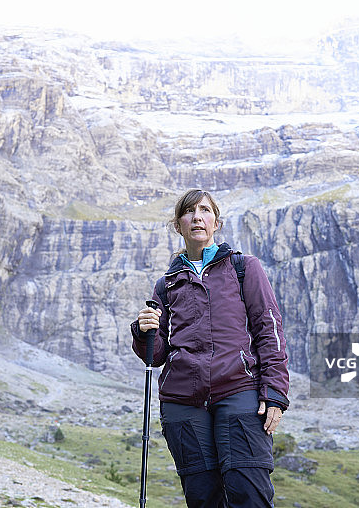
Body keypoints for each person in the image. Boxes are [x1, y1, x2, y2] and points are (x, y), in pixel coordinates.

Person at [131, 189, 290, 508]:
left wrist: (274, 393)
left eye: (204, 210)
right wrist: (143, 331)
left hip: (239, 390)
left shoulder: (244, 268)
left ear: (216, 222)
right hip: (182, 402)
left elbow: (268, 329)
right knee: (203, 499)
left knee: (250, 495)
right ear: (178, 225)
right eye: (188, 212)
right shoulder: (166, 284)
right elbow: (157, 353)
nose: (197, 217)